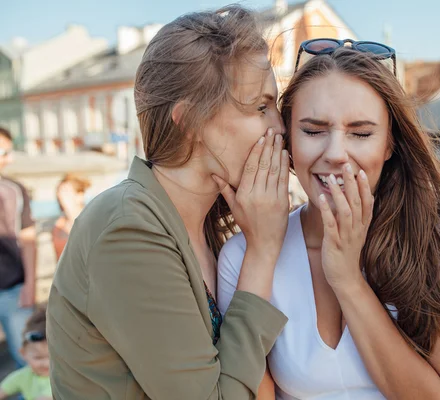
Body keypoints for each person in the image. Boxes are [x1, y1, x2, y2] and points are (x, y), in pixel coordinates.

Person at [218, 39, 440, 399]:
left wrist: (347, 280)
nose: (335, 154)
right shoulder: (242, 257)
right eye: (313, 131)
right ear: (288, 141)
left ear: (390, 144)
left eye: (361, 133)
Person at [47, 6, 290, 399]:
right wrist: (262, 251)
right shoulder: (127, 228)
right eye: (261, 107)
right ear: (191, 120)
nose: (279, 126)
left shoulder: (204, 221)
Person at [0, 127, 37, 368]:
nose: (9, 159)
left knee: (29, 361)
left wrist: (31, 284)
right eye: (4, 152)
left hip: (14, 287)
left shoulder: (15, 189)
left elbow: (29, 239)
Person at [0, 305, 52, 400]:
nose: (46, 363)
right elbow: (4, 388)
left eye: (52, 358)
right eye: (38, 357)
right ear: (23, 353)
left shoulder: (60, 379)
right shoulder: (24, 375)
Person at [51, 174, 90, 260]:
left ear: (80, 195)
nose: (60, 197)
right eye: (59, 192)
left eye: (65, 192)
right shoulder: (59, 225)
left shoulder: (92, 220)